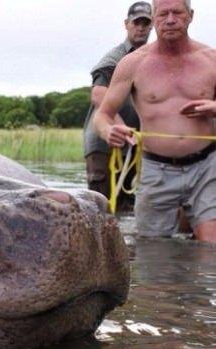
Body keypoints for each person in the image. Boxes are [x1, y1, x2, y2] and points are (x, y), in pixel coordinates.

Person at [94, 0, 216, 242]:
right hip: (156, 169)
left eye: (177, 13)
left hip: (207, 166)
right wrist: (109, 130)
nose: (170, 19)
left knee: (211, 243)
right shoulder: (133, 63)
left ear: (190, 16)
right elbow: (103, 114)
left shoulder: (211, 60)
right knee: (152, 251)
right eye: (163, 14)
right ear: (154, 18)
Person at [83, 1, 153, 211]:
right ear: (127, 24)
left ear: (152, 26)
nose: (140, 27)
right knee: (101, 205)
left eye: (145, 23)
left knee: (126, 206)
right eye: (136, 23)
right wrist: (119, 127)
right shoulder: (114, 58)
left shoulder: (154, 58)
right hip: (104, 143)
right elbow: (98, 94)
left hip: (133, 145)